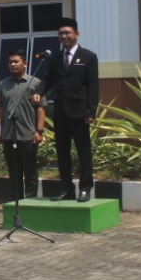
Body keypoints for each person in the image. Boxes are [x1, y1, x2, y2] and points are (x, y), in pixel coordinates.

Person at [39, 18, 100, 202]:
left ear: (76, 34)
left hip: (80, 112)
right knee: (62, 152)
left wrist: (91, 111)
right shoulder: (56, 58)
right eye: (61, 33)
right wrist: (38, 92)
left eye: (67, 33)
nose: (64, 36)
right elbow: (48, 79)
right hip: (60, 112)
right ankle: (66, 188)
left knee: (83, 152)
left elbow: (93, 86)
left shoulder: (88, 57)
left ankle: (85, 188)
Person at [0, 50, 46, 202]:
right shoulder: (3, 84)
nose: (13, 64)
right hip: (9, 134)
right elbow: (0, 109)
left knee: (30, 171)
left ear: (25, 64)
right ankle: (16, 202)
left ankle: (30, 202)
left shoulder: (35, 83)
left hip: (28, 134)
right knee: (14, 171)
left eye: (16, 61)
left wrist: (39, 131)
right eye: (10, 62)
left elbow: (41, 109)